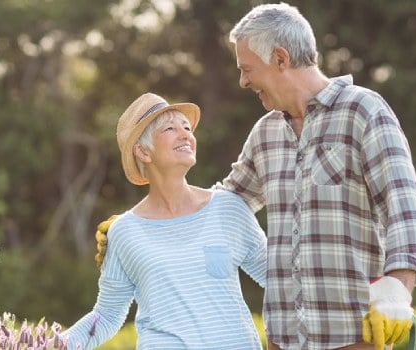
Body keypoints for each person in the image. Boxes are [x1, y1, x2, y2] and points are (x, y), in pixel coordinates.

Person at [220, 3, 416, 350]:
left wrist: (397, 289)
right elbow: (227, 204)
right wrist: (142, 222)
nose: (243, 81)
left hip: (355, 337)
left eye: (247, 69)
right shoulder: (265, 133)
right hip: (283, 339)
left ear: (279, 58)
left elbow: (405, 212)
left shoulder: (363, 111)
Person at [61, 92, 268, 349]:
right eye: (170, 128)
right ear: (143, 152)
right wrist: (44, 346)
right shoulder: (124, 232)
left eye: (187, 127)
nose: (185, 135)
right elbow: (105, 316)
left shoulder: (228, 208)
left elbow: (280, 279)